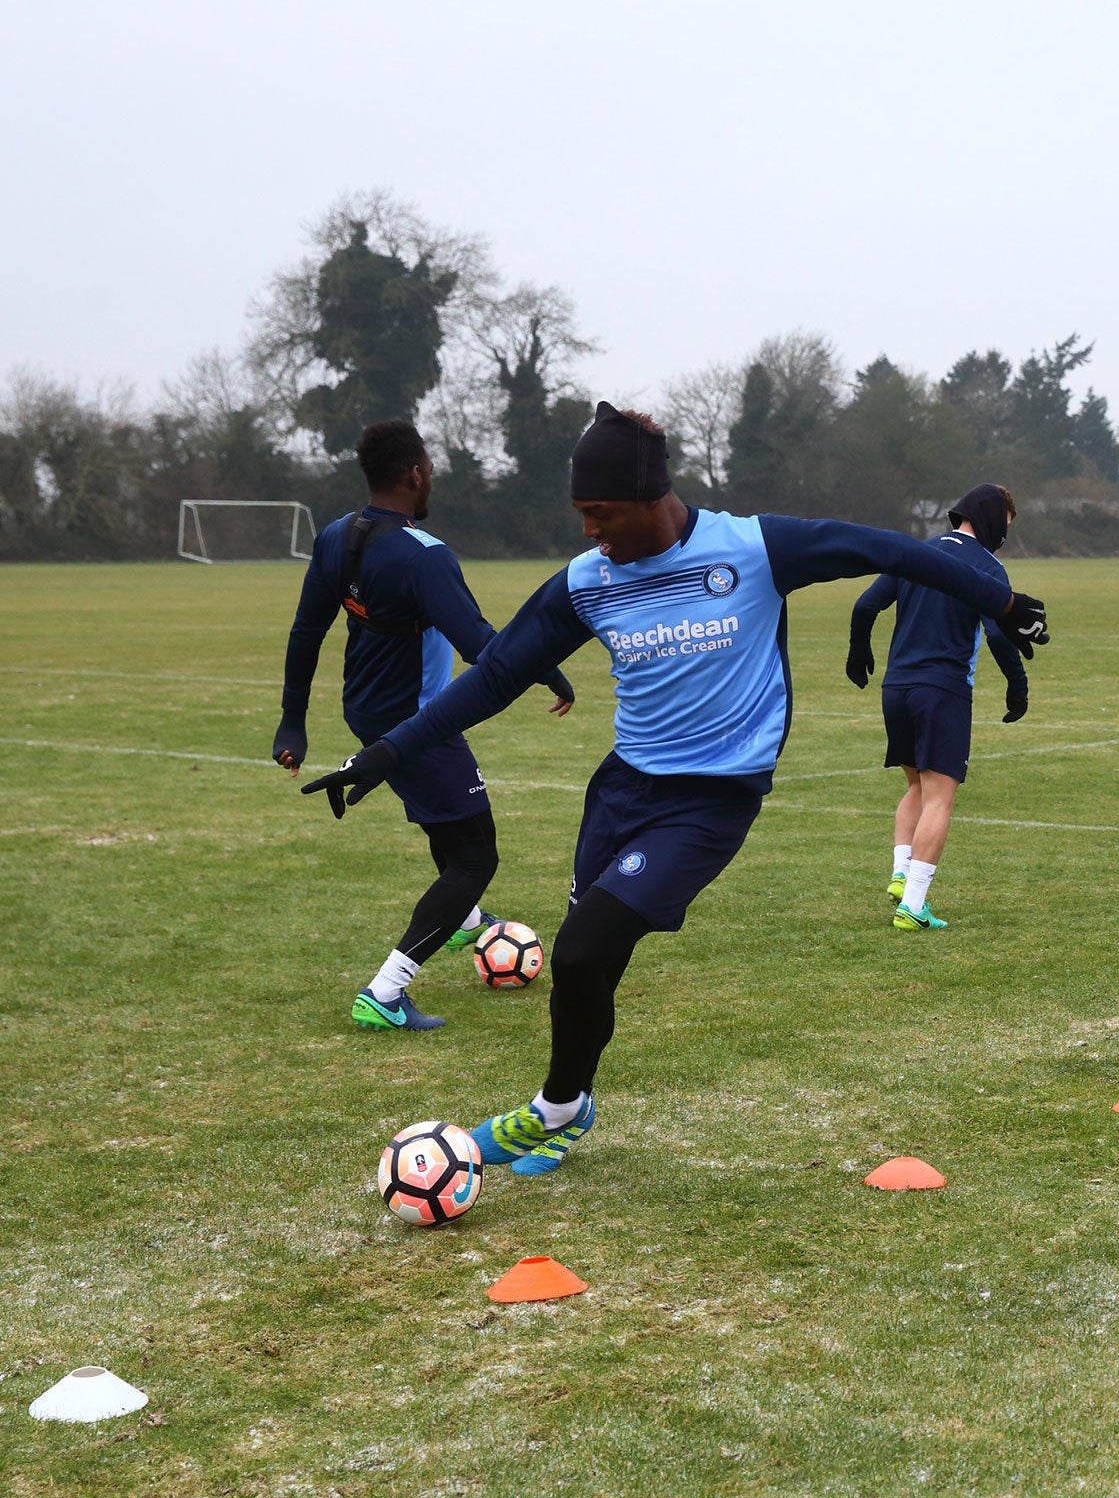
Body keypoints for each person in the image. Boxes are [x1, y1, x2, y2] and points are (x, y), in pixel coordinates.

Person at [304, 404, 1050, 1175]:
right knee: (586, 962)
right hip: (622, 792)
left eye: (601, 514)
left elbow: (885, 549)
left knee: (583, 949)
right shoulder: (587, 583)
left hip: (710, 803)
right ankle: (572, 1108)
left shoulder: (754, 548)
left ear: (650, 498)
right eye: (581, 516)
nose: (592, 531)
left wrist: (1001, 602)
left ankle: (551, 1110)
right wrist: (384, 754)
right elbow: (494, 678)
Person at [274, 420, 575, 1032]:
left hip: (366, 709)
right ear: (414, 473)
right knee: (476, 858)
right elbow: (479, 646)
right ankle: (385, 992)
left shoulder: (338, 537)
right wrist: (544, 666)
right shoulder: (424, 555)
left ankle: (466, 923)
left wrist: (293, 720)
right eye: (429, 466)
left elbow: (308, 630)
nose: (430, 475)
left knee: (451, 829)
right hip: (416, 722)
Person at [845, 483, 1030, 931]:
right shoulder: (987, 567)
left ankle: (900, 872)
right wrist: (1017, 684)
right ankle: (913, 906)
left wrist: (858, 649)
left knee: (916, 787)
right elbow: (1000, 632)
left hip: (897, 688)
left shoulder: (916, 552)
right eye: (1003, 527)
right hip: (942, 690)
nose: (1002, 537)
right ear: (990, 521)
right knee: (940, 798)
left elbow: (865, 604)